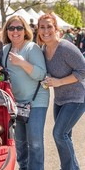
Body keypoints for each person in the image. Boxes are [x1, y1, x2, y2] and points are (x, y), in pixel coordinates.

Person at [37, 13, 85, 170]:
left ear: (56, 28)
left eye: (49, 26)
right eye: (42, 27)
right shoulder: (43, 50)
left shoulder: (65, 48)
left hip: (77, 99)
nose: (46, 30)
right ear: (38, 30)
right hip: (60, 100)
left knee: (59, 134)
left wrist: (59, 82)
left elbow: (83, 71)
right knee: (65, 136)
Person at [1, 15, 49, 170]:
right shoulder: (5, 49)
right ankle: (24, 167)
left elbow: (41, 75)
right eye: (11, 28)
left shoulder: (32, 48)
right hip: (16, 103)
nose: (15, 31)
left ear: (25, 30)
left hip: (36, 101)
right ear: (7, 31)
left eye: (19, 28)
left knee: (34, 141)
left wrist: (22, 63)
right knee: (20, 141)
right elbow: (5, 75)